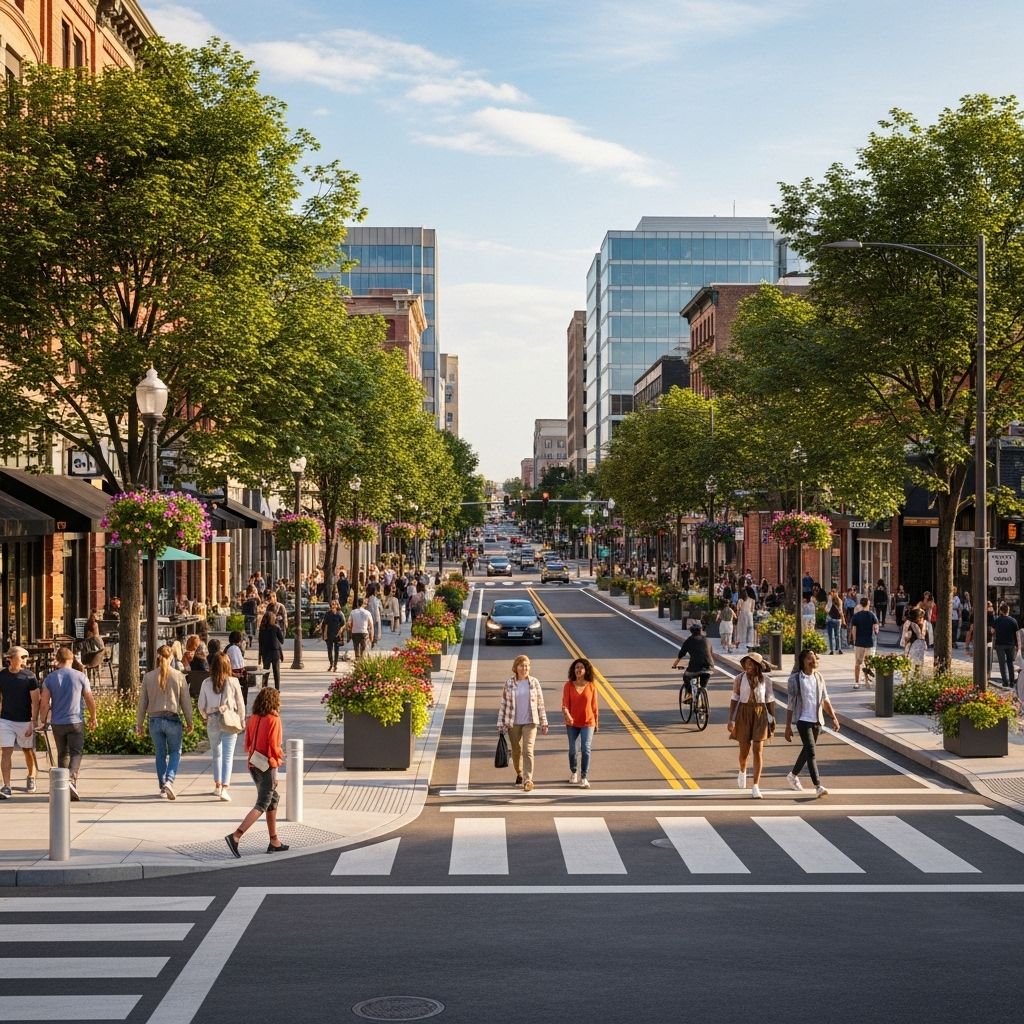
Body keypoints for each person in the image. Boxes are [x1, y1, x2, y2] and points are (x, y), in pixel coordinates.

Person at [225, 686, 288, 857]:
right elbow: (274, 747)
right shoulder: (274, 719)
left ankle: (274, 840)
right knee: (262, 803)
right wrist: (276, 770)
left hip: (254, 764)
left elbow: (247, 743)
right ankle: (236, 835)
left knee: (273, 799)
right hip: (267, 765)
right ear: (274, 701)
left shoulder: (253, 718)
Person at [37, 647, 96, 801]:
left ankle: (63, 786)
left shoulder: (50, 678)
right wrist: (93, 716)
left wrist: (43, 720)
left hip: (58, 722)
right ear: (71, 659)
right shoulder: (80, 676)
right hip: (75, 720)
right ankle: (71, 779)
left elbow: (44, 702)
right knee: (76, 752)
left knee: (63, 753)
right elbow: (89, 698)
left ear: (57, 660)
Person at [136, 644, 193, 799]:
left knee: (160, 753)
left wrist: (139, 724)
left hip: (154, 720)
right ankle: (169, 780)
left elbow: (143, 702)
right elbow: (185, 701)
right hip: (173, 719)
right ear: (172, 657)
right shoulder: (179, 676)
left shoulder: (148, 677)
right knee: (175, 752)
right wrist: (190, 721)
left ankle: (162, 786)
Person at [784, 648, 840, 798]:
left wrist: (833, 718)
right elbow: (790, 704)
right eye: (809, 658)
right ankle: (818, 785)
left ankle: (792, 775)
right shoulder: (795, 679)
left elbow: (825, 699)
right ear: (802, 661)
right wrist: (788, 726)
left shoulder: (819, 677)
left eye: (814, 657)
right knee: (811, 751)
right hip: (802, 719)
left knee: (807, 751)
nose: (813, 660)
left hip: (816, 720)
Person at [726, 652, 776, 800]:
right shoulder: (739, 679)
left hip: (760, 714)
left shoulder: (766, 680)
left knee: (758, 750)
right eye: (746, 663)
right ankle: (742, 770)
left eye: (751, 663)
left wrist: (772, 720)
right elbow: (735, 699)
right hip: (744, 713)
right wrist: (731, 720)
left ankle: (755, 786)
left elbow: (770, 701)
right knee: (744, 752)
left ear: (757, 666)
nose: (748, 666)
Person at [497, 654, 548, 793]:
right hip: (513, 722)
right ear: (516, 667)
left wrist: (544, 722)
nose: (524, 668)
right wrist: (500, 723)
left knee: (528, 750)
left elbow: (540, 703)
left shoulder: (534, 683)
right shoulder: (509, 683)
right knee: (516, 750)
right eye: (521, 665)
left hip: (530, 722)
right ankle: (519, 772)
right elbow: (504, 704)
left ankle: (528, 780)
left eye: (527, 665)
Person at [198, 652, 246, 802]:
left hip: (212, 719)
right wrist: (242, 719)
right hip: (229, 719)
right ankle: (225, 787)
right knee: (227, 755)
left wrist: (206, 716)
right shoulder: (233, 682)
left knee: (216, 754)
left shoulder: (206, 683)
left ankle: (217, 785)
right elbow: (240, 704)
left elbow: (201, 705)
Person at [0, 646, 39, 798]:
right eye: (22, 657)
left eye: (26, 657)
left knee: (27, 750)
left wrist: (33, 721)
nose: (25, 660)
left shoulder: (30, 677)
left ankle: (31, 776)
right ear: (11, 658)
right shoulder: (2, 675)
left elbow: (36, 701)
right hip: (6, 719)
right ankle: (6, 786)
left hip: (24, 720)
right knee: (6, 752)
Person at [561, 658, 599, 788]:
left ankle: (584, 777)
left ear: (586, 670)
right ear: (573, 670)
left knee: (585, 749)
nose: (578, 670)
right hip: (572, 723)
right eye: (576, 667)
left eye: (581, 667)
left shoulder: (591, 686)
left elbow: (594, 707)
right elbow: (565, 704)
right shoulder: (568, 685)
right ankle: (573, 771)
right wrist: (567, 715)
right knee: (573, 750)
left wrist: (596, 723)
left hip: (588, 722)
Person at [672, 622, 716, 702]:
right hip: (709, 667)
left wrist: (675, 664)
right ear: (701, 631)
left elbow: (681, 653)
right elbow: (711, 654)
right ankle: (703, 695)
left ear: (691, 631)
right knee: (703, 685)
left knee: (686, 676)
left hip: (695, 667)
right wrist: (712, 665)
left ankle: (689, 694)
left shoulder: (689, 640)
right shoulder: (707, 640)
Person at [850, 597, 879, 690]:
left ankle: (856, 682)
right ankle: (867, 682)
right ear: (868, 604)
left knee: (857, 663)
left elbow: (854, 630)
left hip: (859, 642)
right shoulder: (872, 615)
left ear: (860, 604)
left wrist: (854, 640)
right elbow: (876, 629)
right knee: (868, 663)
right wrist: (876, 631)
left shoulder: (856, 616)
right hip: (870, 642)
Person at [991, 603, 1020, 688]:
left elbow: (992, 631)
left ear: (1001, 611)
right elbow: (1017, 634)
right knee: (1010, 663)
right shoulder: (1013, 620)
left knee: (1002, 664)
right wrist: (1018, 645)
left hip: (1000, 644)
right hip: (1011, 644)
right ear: (1008, 611)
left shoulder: (997, 620)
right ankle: (1012, 682)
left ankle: (1005, 682)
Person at [258, 610, 285, 690]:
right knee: (276, 672)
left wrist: (260, 656)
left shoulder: (262, 629)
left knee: (265, 672)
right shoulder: (276, 628)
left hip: (265, 653)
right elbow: (282, 640)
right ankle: (277, 689)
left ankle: (264, 688)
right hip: (275, 652)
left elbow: (260, 643)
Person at [320, 599, 346, 671]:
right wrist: (325, 634)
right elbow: (325, 625)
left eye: (334, 604)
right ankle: (331, 664)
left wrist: (340, 631)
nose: (333, 605)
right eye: (332, 604)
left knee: (336, 650)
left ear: (337, 605)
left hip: (337, 635)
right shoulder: (328, 613)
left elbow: (343, 624)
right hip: (329, 634)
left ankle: (335, 665)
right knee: (329, 650)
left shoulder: (340, 614)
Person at [902, 607, 928, 673]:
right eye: (922, 618)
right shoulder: (913, 626)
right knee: (917, 664)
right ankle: (913, 676)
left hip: (914, 646)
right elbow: (908, 637)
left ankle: (909, 675)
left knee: (911, 663)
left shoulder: (910, 624)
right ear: (918, 618)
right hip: (915, 646)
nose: (923, 619)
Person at [824, 587, 845, 655]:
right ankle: (839, 649)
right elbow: (841, 611)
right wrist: (843, 620)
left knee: (830, 636)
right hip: (838, 620)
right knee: (837, 635)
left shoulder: (830, 601)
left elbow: (827, 609)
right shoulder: (840, 601)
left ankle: (832, 650)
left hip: (830, 619)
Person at [734, 587, 755, 651]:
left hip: (746, 616)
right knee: (745, 630)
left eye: (744, 592)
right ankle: (744, 643)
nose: (744, 594)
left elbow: (752, 610)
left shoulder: (749, 600)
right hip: (745, 616)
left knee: (746, 630)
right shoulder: (742, 600)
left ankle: (747, 644)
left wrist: (738, 616)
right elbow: (738, 610)